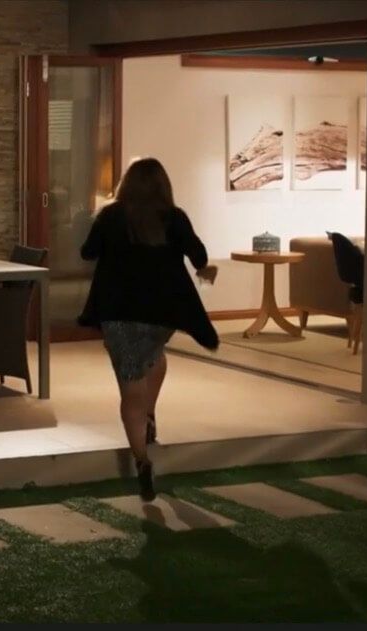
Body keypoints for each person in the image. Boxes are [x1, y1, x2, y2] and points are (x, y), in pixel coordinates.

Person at [78, 158, 219, 501]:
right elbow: (200, 257)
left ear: (126, 184)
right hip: (162, 314)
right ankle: (150, 415)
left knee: (131, 388)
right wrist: (202, 268)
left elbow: (87, 252)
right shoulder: (174, 217)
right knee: (154, 354)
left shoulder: (111, 216)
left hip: (118, 314)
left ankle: (141, 459)